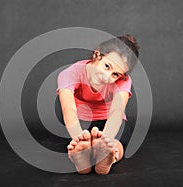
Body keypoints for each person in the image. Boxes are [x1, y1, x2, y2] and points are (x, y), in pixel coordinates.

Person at [56, 34, 139, 174]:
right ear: (97, 54)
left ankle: (109, 157)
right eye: (107, 66)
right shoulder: (71, 73)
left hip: (109, 122)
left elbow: (116, 112)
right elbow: (68, 109)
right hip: (82, 122)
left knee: (118, 141)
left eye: (115, 75)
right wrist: (78, 137)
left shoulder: (124, 81)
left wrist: (106, 141)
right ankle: (83, 154)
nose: (107, 77)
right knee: (84, 141)